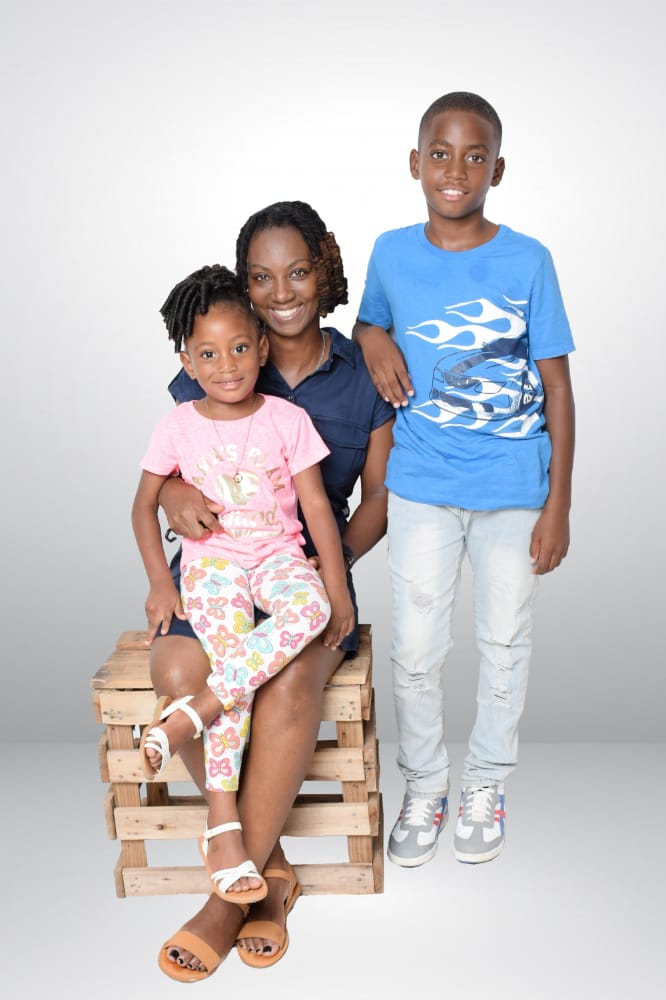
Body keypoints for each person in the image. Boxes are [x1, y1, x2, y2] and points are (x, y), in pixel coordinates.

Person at [149, 201, 394, 980]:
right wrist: (171, 497)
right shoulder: (224, 348)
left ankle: (225, 904)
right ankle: (271, 870)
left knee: (287, 688)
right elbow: (178, 460)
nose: (281, 291)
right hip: (218, 573)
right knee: (176, 670)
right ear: (243, 287)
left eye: (297, 272)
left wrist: (331, 571)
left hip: (305, 580)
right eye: (261, 277)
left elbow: (376, 500)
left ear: (324, 268)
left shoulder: (364, 373)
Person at [353, 92, 575, 869]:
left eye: (475, 157)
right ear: (416, 164)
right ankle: (425, 785)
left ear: (497, 170)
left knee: (504, 643)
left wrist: (560, 503)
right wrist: (371, 335)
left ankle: (486, 781)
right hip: (421, 480)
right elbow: (370, 321)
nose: (457, 170)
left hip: (514, 485)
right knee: (416, 649)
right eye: (441, 154)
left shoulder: (529, 260)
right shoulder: (390, 252)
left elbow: (558, 386)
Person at [132, 264, 355, 906]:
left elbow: (316, 508)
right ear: (187, 362)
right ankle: (224, 821)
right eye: (207, 354)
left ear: (260, 348)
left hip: (278, 557)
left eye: (237, 349)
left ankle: (197, 712)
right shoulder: (178, 425)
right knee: (236, 660)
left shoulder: (287, 418)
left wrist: (337, 589)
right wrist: (160, 581)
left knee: (308, 611)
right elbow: (142, 507)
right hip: (213, 565)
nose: (225, 365)